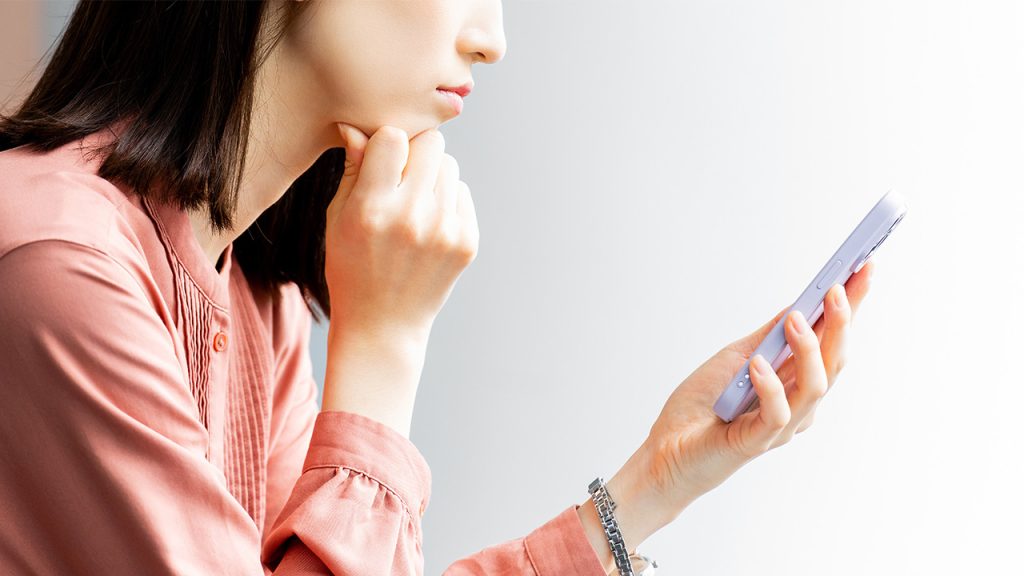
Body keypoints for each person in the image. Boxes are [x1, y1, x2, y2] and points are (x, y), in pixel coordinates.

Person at [0, 1, 874, 574]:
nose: (491, 38)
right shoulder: (62, 266)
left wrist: (659, 478)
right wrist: (384, 345)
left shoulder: (250, 292)